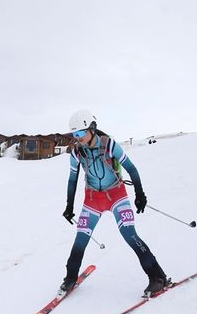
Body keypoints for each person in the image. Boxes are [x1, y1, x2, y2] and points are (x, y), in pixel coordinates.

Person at [60, 109, 169, 297]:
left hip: (117, 196)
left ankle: (158, 277)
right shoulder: (77, 152)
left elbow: (132, 169)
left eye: (80, 133)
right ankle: (70, 278)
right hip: (93, 200)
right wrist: (69, 206)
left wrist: (139, 194)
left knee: (129, 234)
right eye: (74, 134)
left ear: (92, 129)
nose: (77, 138)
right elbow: (72, 180)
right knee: (80, 239)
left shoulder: (109, 145)